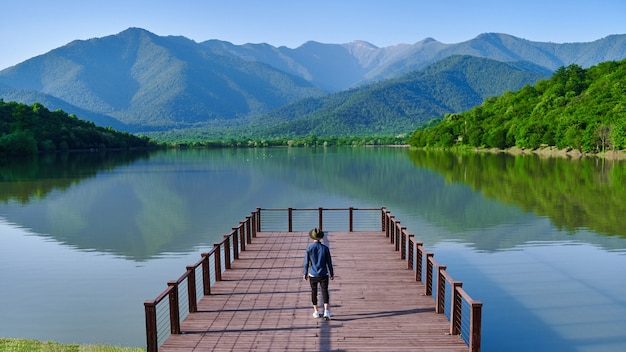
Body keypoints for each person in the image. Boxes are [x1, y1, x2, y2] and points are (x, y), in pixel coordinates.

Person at [303, 227, 334, 320]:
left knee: (314, 292)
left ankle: (316, 311)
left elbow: (306, 262)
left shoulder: (309, 248)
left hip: (313, 274)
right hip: (324, 273)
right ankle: (326, 311)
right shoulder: (325, 248)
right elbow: (329, 262)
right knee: (325, 291)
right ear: (321, 237)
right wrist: (331, 273)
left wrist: (305, 273)